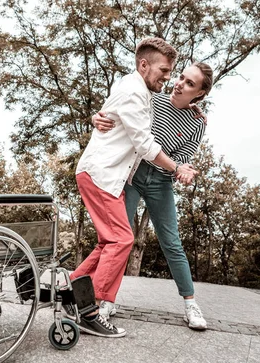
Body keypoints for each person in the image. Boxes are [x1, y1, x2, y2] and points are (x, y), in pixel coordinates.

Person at [69, 37, 198, 338]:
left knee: (108, 242)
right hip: (102, 174)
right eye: (164, 70)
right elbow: (144, 143)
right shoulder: (133, 92)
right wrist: (177, 167)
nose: (168, 77)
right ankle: (90, 310)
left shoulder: (137, 88)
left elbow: (115, 113)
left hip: (106, 175)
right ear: (144, 65)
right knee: (121, 239)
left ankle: (72, 287)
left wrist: (98, 115)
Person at [91, 62, 214, 330]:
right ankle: (105, 301)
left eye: (190, 83)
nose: (180, 83)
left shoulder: (197, 122)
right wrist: (95, 117)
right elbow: (120, 117)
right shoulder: (152, 98)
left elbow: (183, 156)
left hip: (161, 182)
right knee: (119, 238)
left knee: (172, 244)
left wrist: (181, 171)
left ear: (200, 94)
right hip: (132, 174)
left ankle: (190, 304)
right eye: (181, 77)